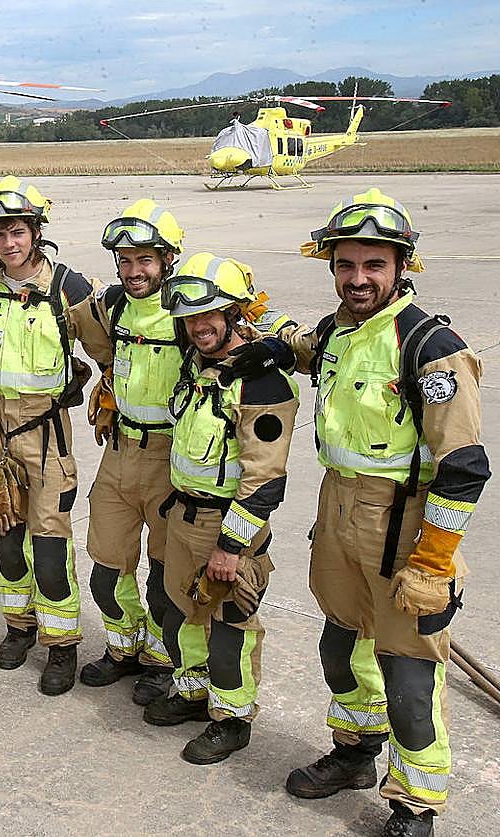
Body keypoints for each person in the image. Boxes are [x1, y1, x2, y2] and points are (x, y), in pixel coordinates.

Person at [267, 189, 489, 836]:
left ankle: (416, 804)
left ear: (402, 267)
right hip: (339, 512)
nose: (358, 278)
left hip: (404, 526)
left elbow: (464, 466)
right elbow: (308, 348)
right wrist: (262, 334)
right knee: (341, 649)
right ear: (331, 265)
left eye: (374, 265)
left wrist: (434, 558)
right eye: (346, 264)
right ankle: (355, 753)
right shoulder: (337, 330)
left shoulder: (431, 346)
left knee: (410, 678)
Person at [144, 254, 298, 765]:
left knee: (231, 624)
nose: (199, 327)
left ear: (235, 313)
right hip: (183, 514)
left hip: (227, 524)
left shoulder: (262, 383)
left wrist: (232, 548)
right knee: (186, 612)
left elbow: (265, 479)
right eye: (189, 318)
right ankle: (192, 692)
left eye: (210, 315)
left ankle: (231, 720)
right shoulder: (197, 365)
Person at [0, 176, 108, 695]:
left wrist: (100, 390)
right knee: (5, 534)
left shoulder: (68, 287)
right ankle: (18, 627)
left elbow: (105, 350)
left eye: (17, 232)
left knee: (49, 545)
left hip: (45, 434)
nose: (8, 243)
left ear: (36, 232)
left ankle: (61, 645)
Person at [79, 199, 187, 706]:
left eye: (144, 259)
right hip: (120, 451)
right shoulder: (112, 307)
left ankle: (164, 660)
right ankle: (125, 647)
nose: (133, 270)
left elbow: (249, 330)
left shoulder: (191, 310)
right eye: (124, 261)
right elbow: (67, 319)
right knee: (106, 568)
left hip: (173, 460)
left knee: (166, 578)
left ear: (168, 259)